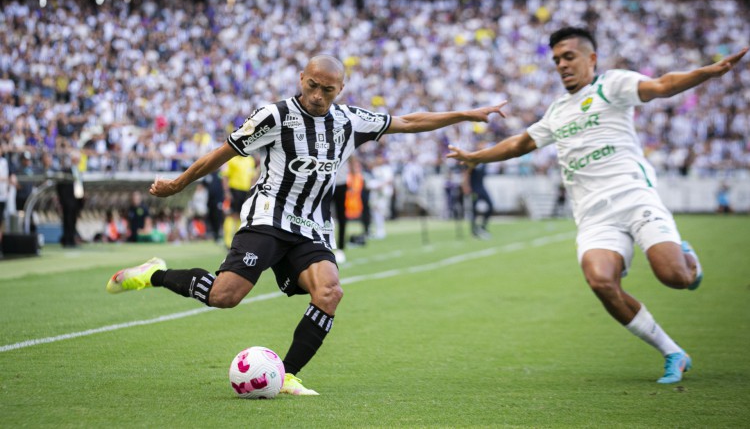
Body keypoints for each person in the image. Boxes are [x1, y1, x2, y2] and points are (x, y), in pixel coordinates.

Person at [106, 54, 506, 396]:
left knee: (329, 292)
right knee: (225, 296)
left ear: (341, 90)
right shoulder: (274, 116)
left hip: (312, 227)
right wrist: (178, 184)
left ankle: (286, 375)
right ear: (302, 79)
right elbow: (222, 153)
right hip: (268, 218)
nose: (317, 96)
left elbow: (409, 121)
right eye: (312, 85)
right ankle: (155, 274)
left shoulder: (351, 122)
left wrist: (464, 115)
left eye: (327, 90)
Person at [448, 27, 748, 384]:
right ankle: (673, 352)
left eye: (569, 57)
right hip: (593, 216)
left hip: (635, 198)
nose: (561, 65)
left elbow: (663, 85)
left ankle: (690, 263)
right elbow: (520, 143)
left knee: (676, 278)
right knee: (601, 281)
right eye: (556, 60)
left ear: (591, 58)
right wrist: (475, 158)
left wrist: (706, 72)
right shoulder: (557, 110)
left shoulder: (613, 85)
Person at [221, 154, 257, 249]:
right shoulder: (232, 159)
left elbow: (252, 178)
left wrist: (251, 192)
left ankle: (237, 240)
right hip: (234, 190)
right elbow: (225, 176)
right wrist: (227, 192)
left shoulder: (250, 160)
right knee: (231, 214)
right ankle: (227, 241)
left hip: (245, 191)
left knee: (241, 216)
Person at [464, 161, 493, 239]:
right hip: (474, 190)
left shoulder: (484, 161)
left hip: (482, 188)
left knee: (491, 206)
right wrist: (466, 186)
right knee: (474, 210)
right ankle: (473, 231)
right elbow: (467, 173)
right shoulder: (473, 160)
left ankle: (482, 227)